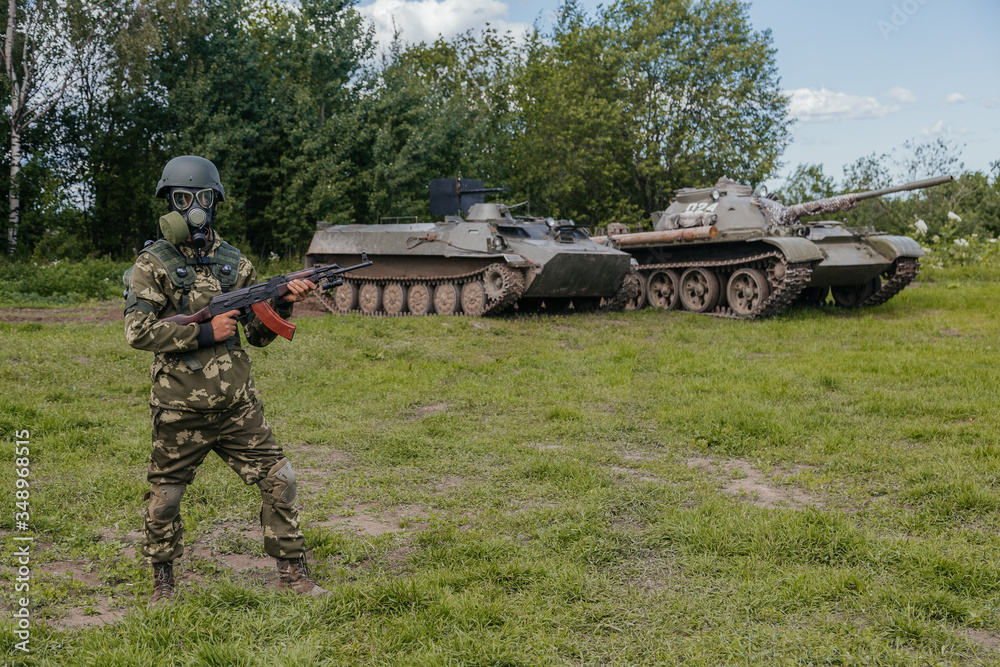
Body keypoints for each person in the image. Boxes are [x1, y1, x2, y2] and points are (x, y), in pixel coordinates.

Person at [123, 155, 324, 604]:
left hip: (237, 407)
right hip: (179, 410)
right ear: (170, 203)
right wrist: (202, 332)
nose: (193, 208)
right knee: (165, 499)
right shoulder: (152, 263)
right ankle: (164, 585)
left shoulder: (235, 263)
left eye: (202, 199)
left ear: (215, 204)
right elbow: (137, 331)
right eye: (183, 198)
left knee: (280, 480)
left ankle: (293, 575)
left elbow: (257, 335)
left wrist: (286, 302)